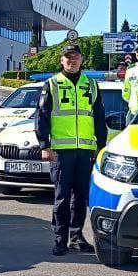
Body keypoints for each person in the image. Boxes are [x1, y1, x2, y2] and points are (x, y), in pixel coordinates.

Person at [37, 44, 107, 256]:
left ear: (81, 59)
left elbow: (99, 118)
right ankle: (60, 239)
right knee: (62, 198)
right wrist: (44, 145)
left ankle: (76, 237)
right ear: (61, 60)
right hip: (61, 151)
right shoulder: (52, 84)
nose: (72, 60)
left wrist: (100, 146)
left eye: (75, 57)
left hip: (85, 151)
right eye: (68, 57)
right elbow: (41, 116)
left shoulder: (91, 85)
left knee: (80, 197)